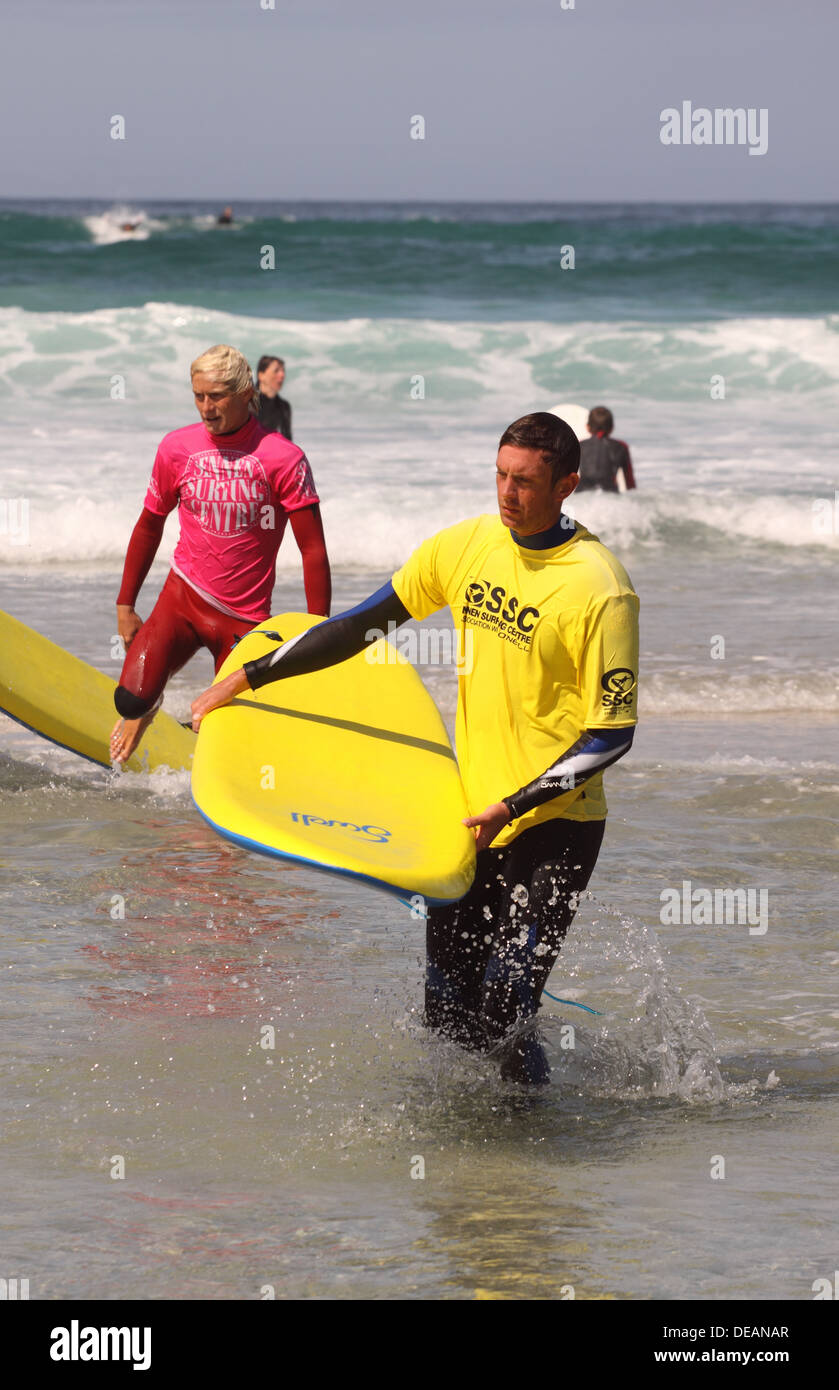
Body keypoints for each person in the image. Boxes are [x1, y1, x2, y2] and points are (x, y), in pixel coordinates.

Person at [190, 412, 639, 1085]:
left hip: (554, 826)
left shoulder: (599, 586)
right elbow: (363, 625)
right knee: (446, 1009)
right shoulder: (466, 547)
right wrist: (250, 676)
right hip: (465, 817)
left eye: (523, 482)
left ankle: (531, 1155)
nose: (506, 493)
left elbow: (610, 733)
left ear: (566, 485)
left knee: (505, 1005)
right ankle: (464, 1151)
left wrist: (511, 804)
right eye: (499, 475)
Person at [110, 343, 331, 765]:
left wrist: (316, 629)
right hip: (182, 599)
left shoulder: (284, 459)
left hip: (243, 621)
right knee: (130, 700)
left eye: (217, 397)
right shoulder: (177, 448)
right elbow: (149, 524)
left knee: (223, 741)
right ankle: (149, 707)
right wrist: (126, 604)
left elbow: (313, 550)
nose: (206, 408)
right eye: (199, 396)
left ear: (247, 394)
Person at [577, 406, 636, 493]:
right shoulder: (621, 447)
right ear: (612, 428)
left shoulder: (579, 445)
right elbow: (630, 483)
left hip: (582, 496)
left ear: (588, 427)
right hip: (609, 497)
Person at [255, 355, 292, 440]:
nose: (282, 375)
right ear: (261, 375)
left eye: (283, 371)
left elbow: (288, 442)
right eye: (276, 371)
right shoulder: (248, 403)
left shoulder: (284, 406)